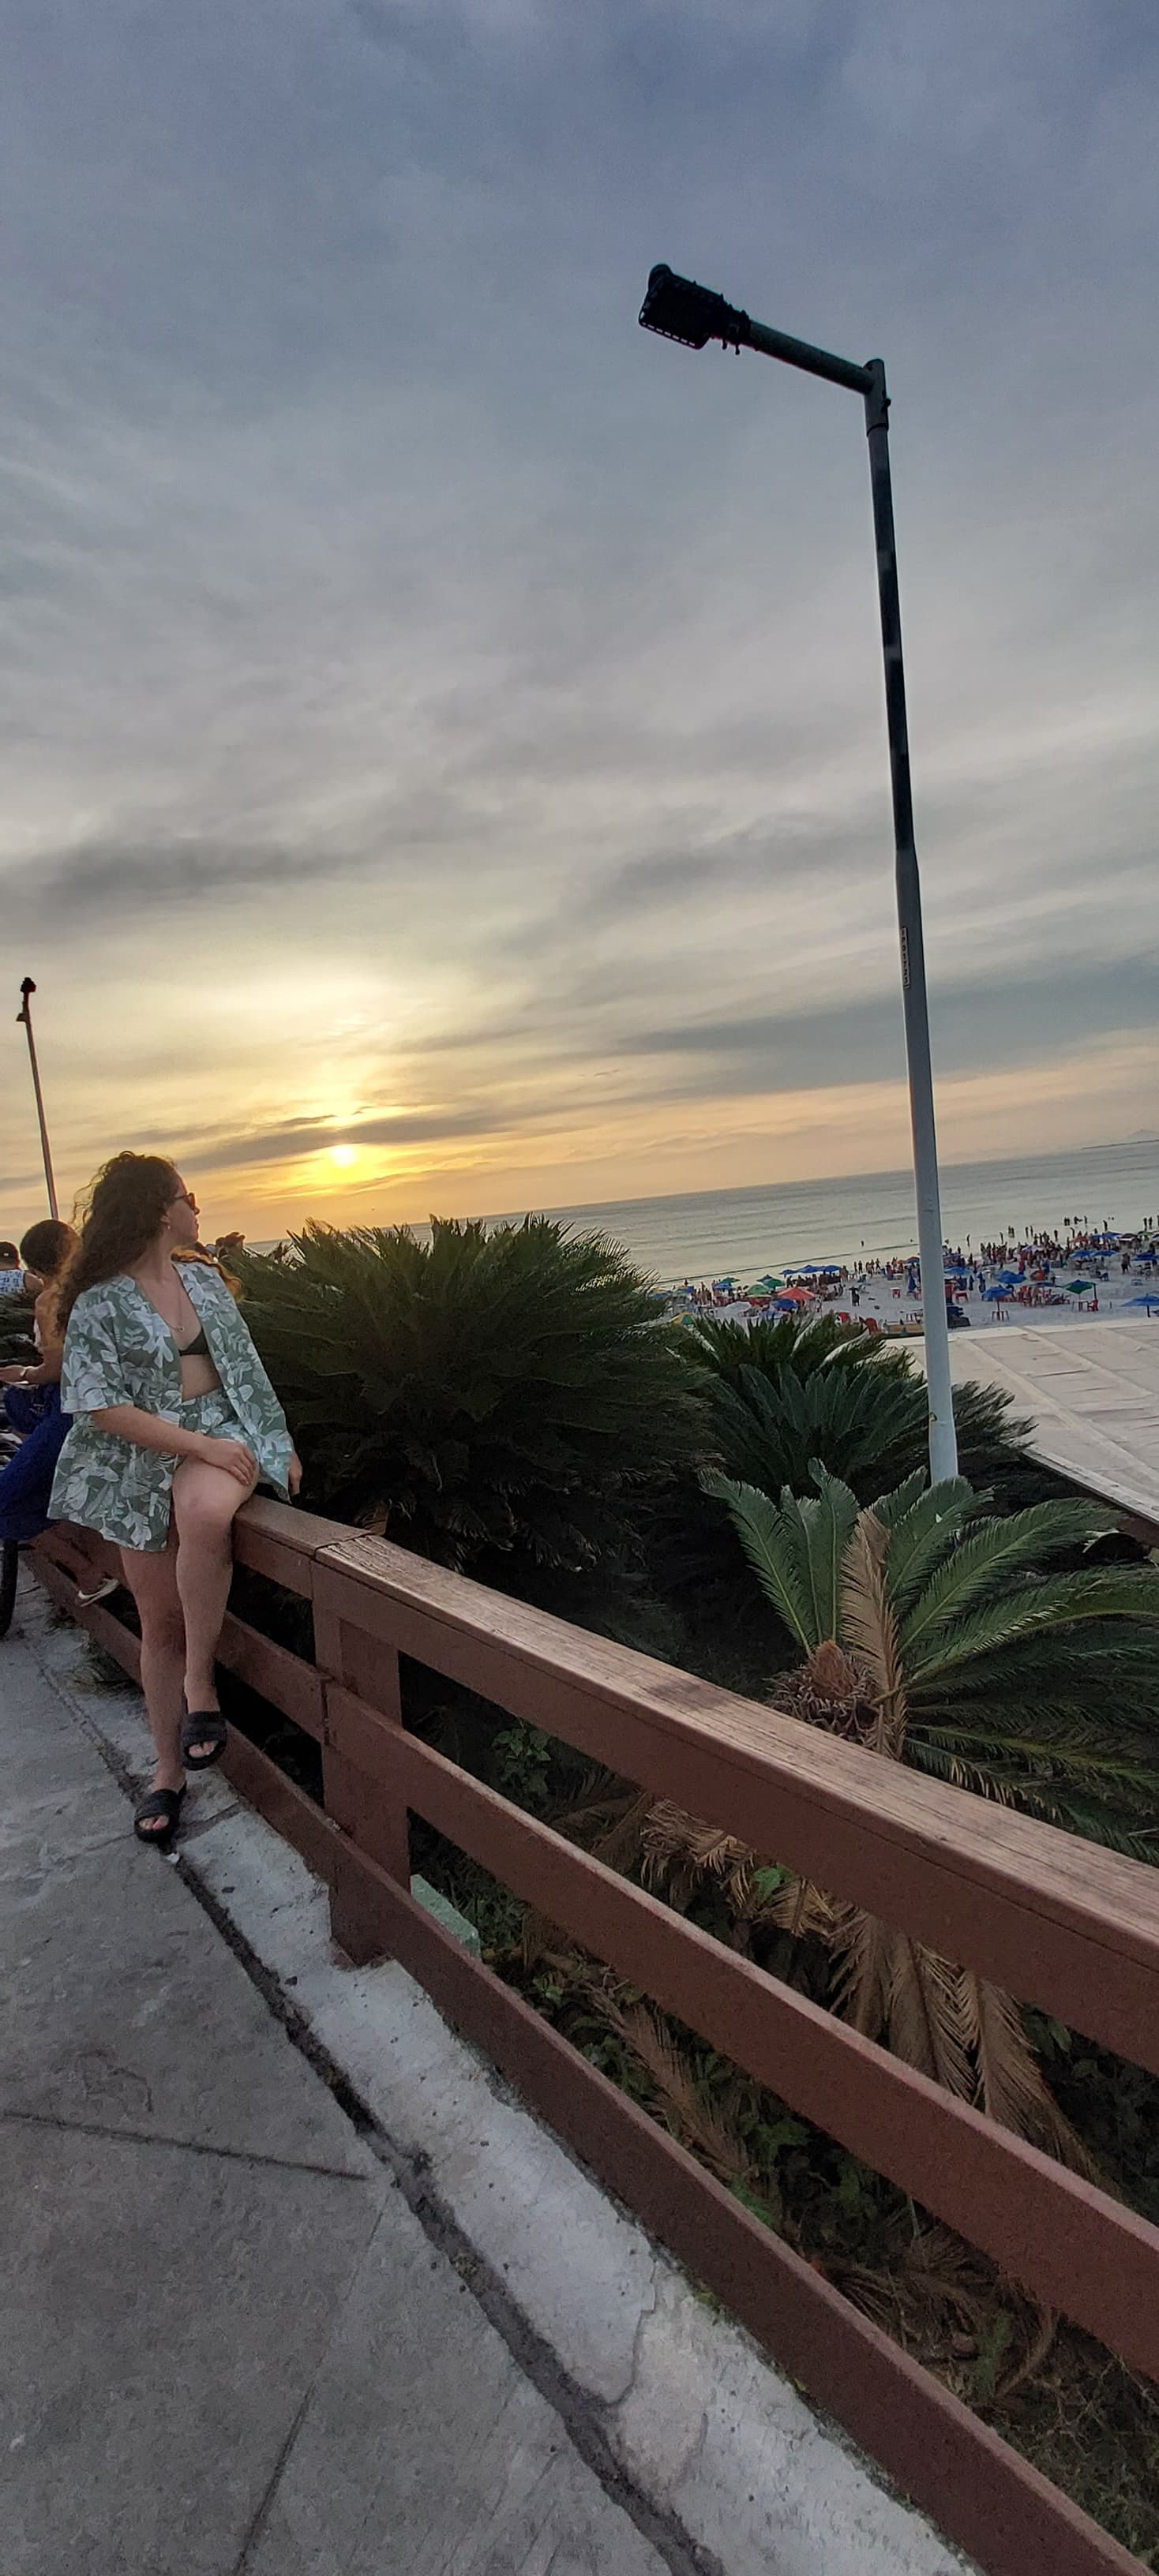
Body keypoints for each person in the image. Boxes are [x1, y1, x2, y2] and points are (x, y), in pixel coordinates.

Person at [51, 1152, 302, 1848]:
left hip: (220, 1436)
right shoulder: (101, 1298)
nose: (200, 1208)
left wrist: (275, 1444)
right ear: (165, 1210)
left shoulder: (205, 1282)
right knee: (158, 1622)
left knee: (203, 1513)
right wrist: (193, 1448)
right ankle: (167, 1773)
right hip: (140, 1460)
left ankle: (201, 1689)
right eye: (191, 1197)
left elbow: (244, 1370)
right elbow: (99, 1407)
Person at [0, 1218, 90, 1555]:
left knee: (5, 1500)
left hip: (70, 1409)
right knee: (18, 1406)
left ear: (38, 1267)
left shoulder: (50, 1301)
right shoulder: (106, 1287)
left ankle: (87, 1572)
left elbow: (58, 1369)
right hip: (97, 1406)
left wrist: (24, 1373)